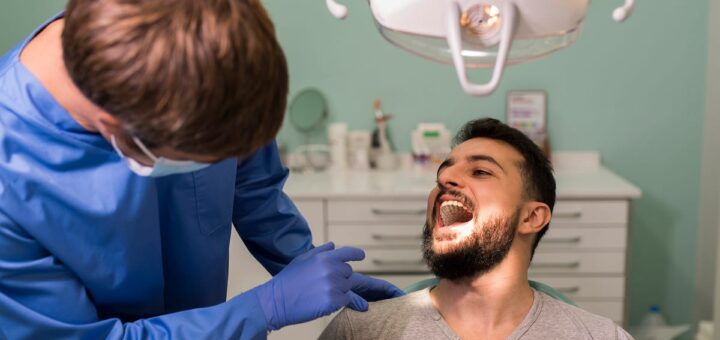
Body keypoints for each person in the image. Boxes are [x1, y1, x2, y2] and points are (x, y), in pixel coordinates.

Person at [0, 1, 402, 339]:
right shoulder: (11, 178)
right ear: (113, 128)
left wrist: (299, 260)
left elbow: (254, 183)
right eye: (202, 159)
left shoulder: (212, 58)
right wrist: (265, 307)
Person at [319, 118, 634, 340]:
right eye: (443, 174)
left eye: (481, 171)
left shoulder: (601, 336)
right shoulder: (360, 331)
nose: (445, 180)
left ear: (532, 217)